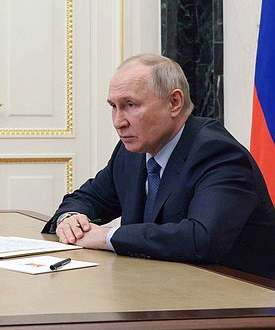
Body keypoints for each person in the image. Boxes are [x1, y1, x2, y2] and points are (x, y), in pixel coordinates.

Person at [44, 54, 275, 280]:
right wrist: (71, 219)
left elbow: (201, 239)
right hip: (159, 285)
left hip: (236, 294)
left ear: (174, 102)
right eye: (114, 106)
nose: (118, 122)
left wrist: (107, 237)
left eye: (130, 105)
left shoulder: (217, 153)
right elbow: (89, 198)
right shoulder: (131, 151)